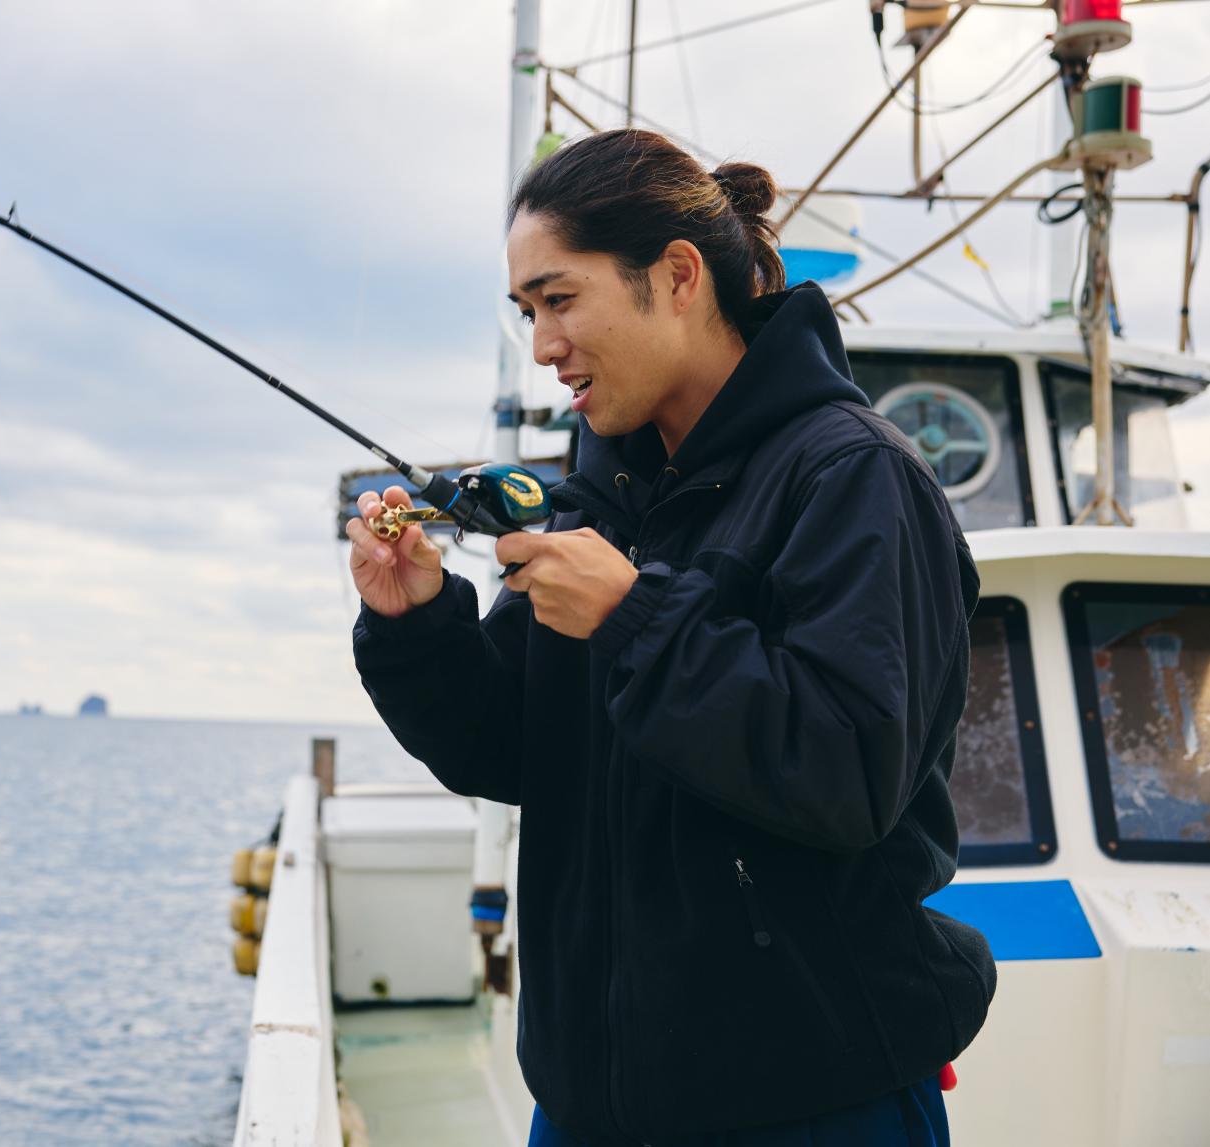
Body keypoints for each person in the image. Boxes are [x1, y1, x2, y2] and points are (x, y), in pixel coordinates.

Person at [346, 129, 995, 1147]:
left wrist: (633, 617)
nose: (542, 344)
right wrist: (415, 623)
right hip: (588, 1106)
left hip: (813, 1106)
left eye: (559, 300)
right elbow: (507, 748)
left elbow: (849, 774)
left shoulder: (853, 478)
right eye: (526, 311)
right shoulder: (599, 494)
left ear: (678, 276)